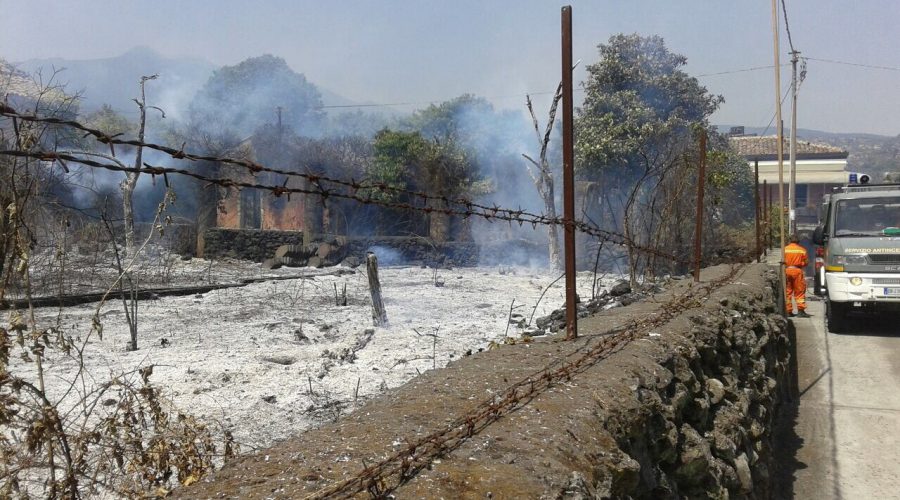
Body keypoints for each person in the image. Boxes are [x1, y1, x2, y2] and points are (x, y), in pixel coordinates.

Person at [784, 234, 810, 317]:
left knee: (788, 291)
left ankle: (788, 311)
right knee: (799, 291)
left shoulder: (784, 249)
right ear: (798, 241)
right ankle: (801, 311)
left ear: (789, 240)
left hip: (787, 271)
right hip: (797, 271)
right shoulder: (802, 250)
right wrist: (800, 263)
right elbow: (806, 262)